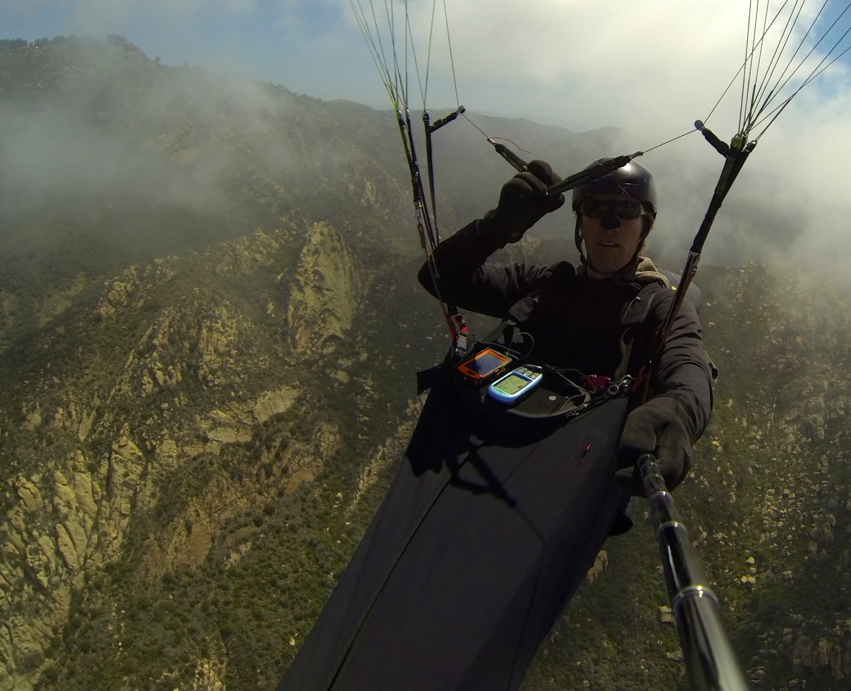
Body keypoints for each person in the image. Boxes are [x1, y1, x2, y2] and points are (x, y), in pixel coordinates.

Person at [277, 159, 713, 691]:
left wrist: (678, 412)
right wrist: (501, 225)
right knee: (411, 600)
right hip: (479, 464)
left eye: (625, 212)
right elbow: (442, 278)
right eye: (597, 209)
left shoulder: (658, 307)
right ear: (579, 221)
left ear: (645, 225)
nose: (610, 224)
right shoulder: (546, 282)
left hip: (560, 486)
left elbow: (687, 364)